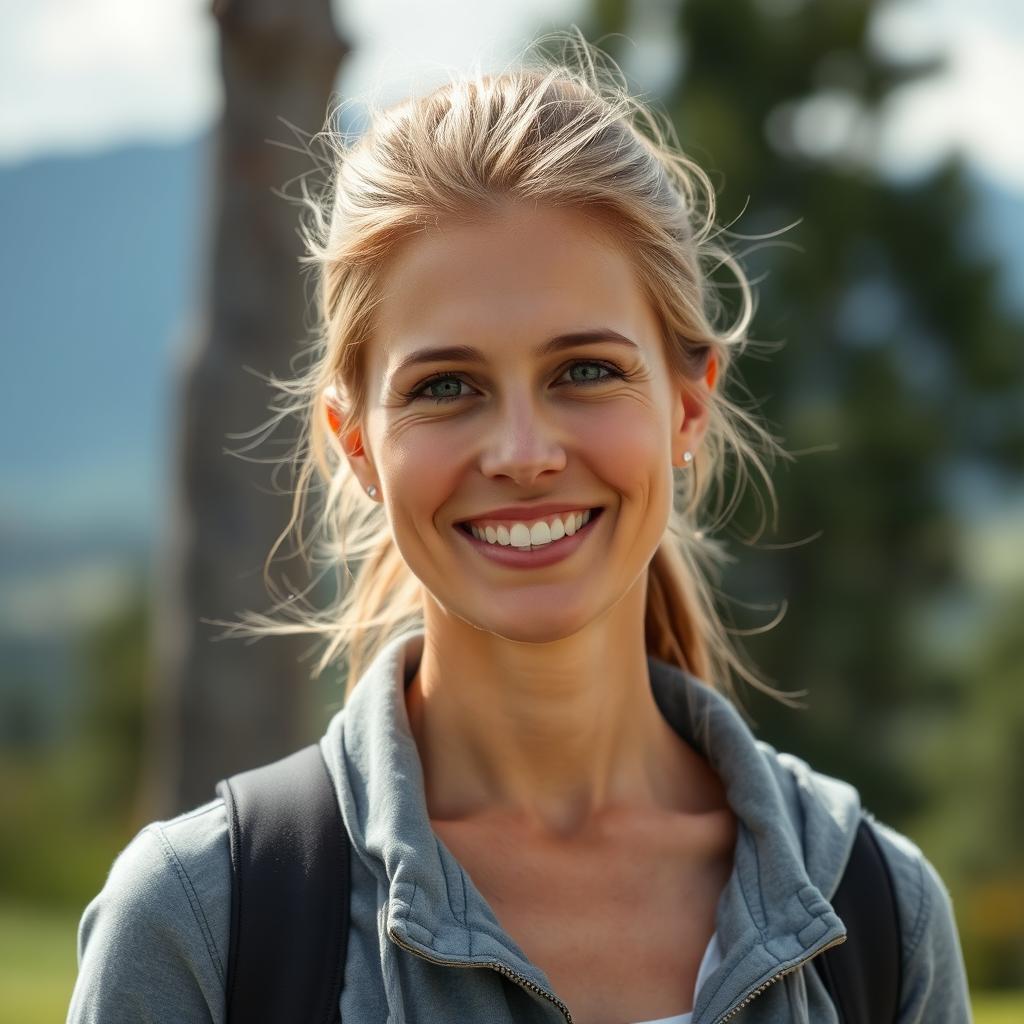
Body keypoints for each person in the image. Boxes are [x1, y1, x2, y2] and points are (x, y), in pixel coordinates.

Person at [67, 33, 971, 1024]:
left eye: (584, 370)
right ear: (353, 441)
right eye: (445, 386)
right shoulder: (205, 921)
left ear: (686, 404)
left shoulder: (877, 910)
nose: (523, 451)